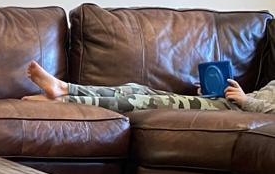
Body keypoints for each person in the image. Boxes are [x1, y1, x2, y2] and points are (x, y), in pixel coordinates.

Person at [23, 61, 275, 114]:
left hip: (234, 112)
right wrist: (218, 92)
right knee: (138, 90)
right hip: (226, 104)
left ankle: (65, 99)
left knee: (145, 102)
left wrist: (244, 101)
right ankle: (65, 88)